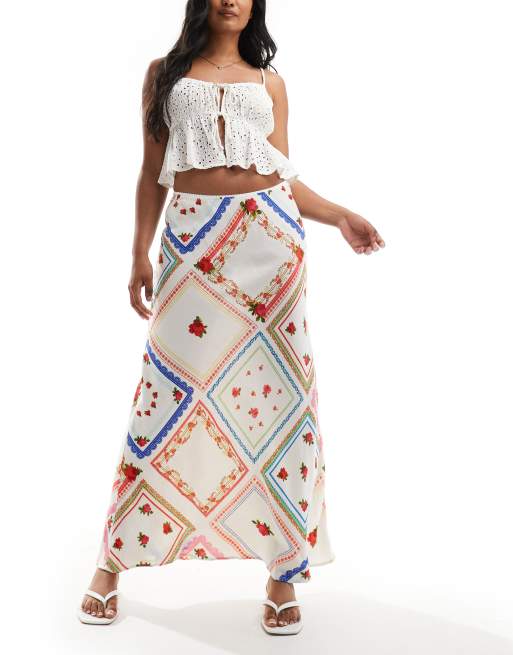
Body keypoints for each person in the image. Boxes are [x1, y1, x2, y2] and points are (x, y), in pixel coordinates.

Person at [78, 0, 385, 636]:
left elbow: (283, 174)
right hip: (192, 243)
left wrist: (340, 216)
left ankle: (283, 573)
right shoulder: (164, 73)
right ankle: (112, 560)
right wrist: (138, 252)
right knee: (166, 395)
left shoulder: (271, 82)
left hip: (269, 244)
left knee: (282, 402)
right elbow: (152, 171)